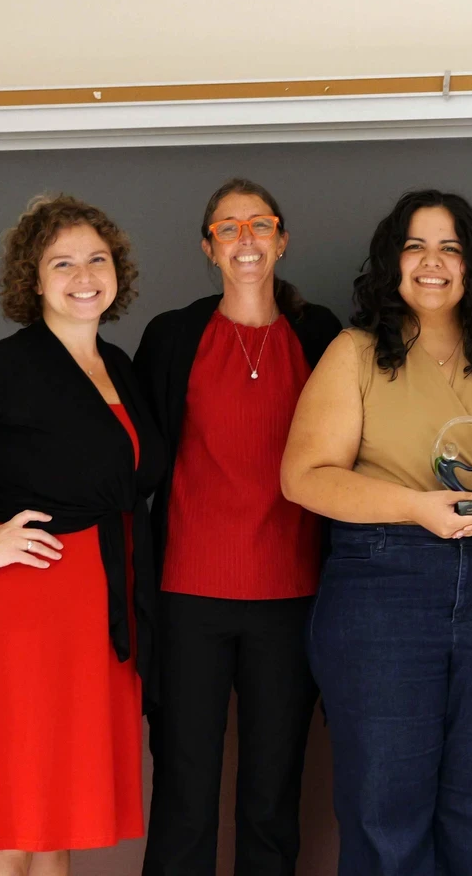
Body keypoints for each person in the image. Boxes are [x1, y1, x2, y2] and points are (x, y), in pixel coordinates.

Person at [281, 189, 472, 876]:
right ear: (392, 261)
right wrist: (415, 508)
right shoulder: (354, 353)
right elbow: (305, 477)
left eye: (450, 247)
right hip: (382, 589)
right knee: (385, 807)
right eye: (415, 245)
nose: (432, 262)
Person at [0, 195, 163, 875]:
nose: (85, 275)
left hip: (98, 613)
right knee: (9, 826)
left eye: (97, 259)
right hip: (26, 611)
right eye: (63, 262)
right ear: (34, 280)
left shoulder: (118, 365)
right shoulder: (5, 365)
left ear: (117, 272)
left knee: (55, 824)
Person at [133, 178, 341, 876]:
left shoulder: (321, 334)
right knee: (185, 794)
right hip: (188, 596)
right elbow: (131, 457)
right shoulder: (171, 337)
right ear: (208, 247)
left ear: (281, 240)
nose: (245, 239)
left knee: (271, 796)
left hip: (291, 595)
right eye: (228, 227)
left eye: (260, 224)